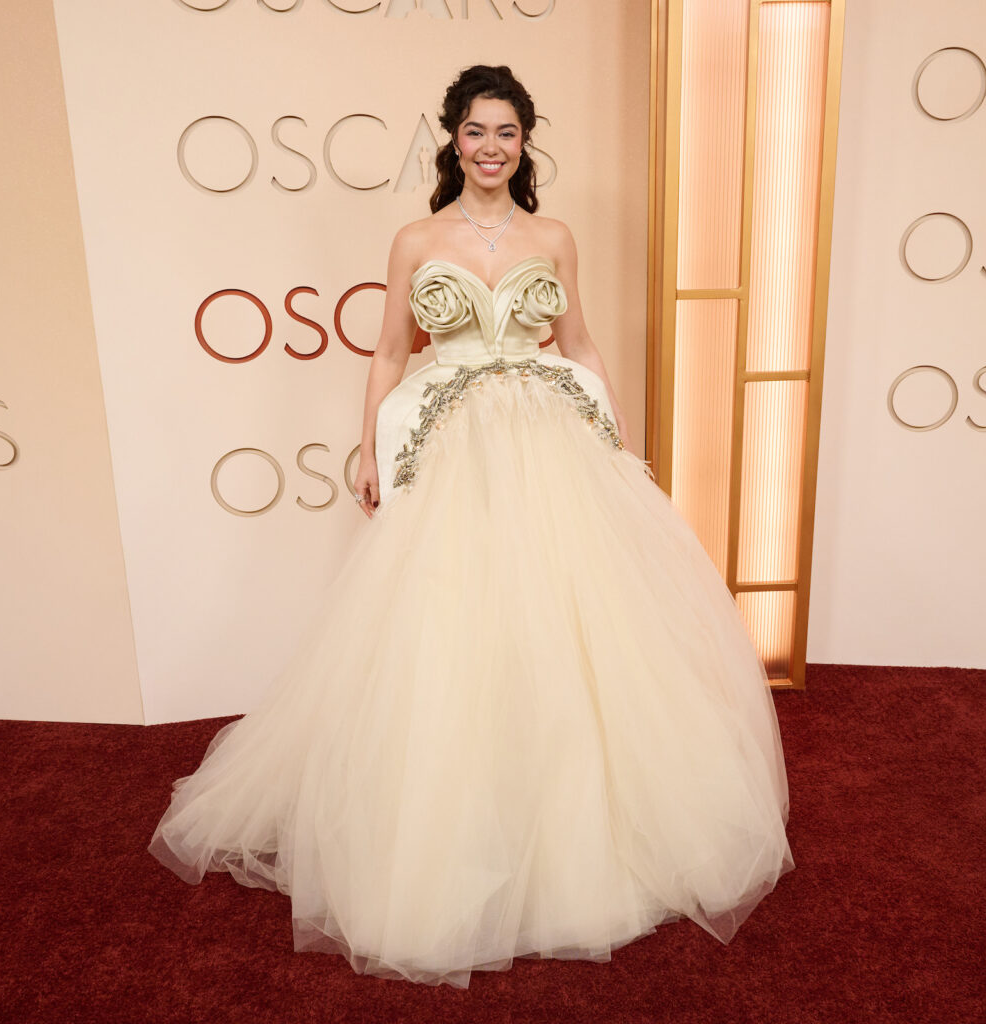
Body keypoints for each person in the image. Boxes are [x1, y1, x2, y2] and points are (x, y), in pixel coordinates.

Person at [148, 64, 793, 988]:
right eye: (476, 132)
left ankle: (575, 844)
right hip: (448, 442)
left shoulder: (556, 236)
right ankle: (449, 839)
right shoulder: (416, 237)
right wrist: (368, 446)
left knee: (566, 622)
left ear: (527, 144)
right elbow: (386, 349)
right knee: (452, 621)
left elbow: (576, 344)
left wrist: (613, 440)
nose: (491, 148)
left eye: (508, 134)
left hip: (547, 439)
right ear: (451, 138)